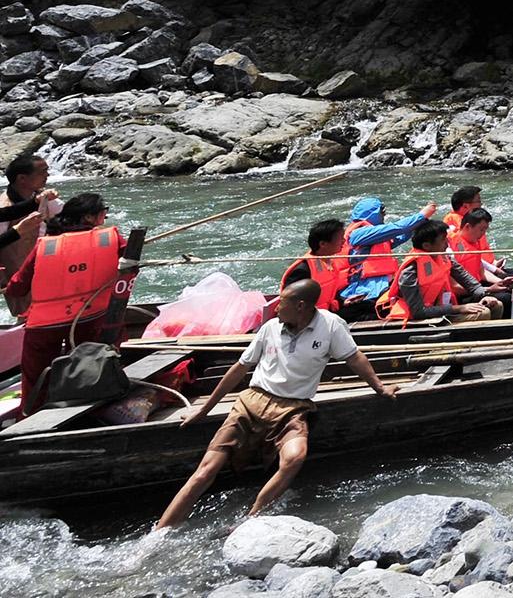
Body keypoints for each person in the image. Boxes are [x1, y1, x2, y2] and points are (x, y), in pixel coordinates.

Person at [156, 278, 395, 530]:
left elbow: (354, 358)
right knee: (205, 471)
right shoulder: (270, 327)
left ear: (301, 306)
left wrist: (380, 388)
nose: (276, 308)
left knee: (295, 457)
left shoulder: (331, 326)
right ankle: (161, 530)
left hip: (293, 407)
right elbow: (239, 369)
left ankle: (251, 520)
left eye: (282, 303)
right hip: (252, 402)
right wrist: (202, 411)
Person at [8, 191, 137, 415]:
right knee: (100, 360)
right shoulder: (110, 237)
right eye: (103, 213)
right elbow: (131, 267)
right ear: (89, 218)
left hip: (43, 325)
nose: (104, 218)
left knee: (35, 378)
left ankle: (29, 416)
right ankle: (96, 408)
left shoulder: (45, 245)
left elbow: (16, 287)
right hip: (93, 318)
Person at [381, 220, 497, 322]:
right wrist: (459, 308)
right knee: (483, 313)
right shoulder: (410, 271)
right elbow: (418, 312)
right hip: (419, 317)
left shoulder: (444, 258)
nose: (447, 243)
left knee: (496, 305)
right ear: (427, 246)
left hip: (441, 309)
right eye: (443, 240)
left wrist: (484, 294)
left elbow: (467, 280)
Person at [341, 198, 435, 311]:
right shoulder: (359, 233)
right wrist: (421, 215)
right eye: (382, 213)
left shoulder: (378, 234)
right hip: (365, 290)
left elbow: (400, 236)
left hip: (383, 285)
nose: (384, 216)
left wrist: (418, 224)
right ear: (373, 214)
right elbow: (396, 228)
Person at [0, 152, 59, 307]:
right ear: (22, 179)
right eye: (42, 172)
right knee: (26, 313)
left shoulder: (42, 198)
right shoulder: (4, 203)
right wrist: (19, 230)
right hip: (15, 274)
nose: (47, 175)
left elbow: (68, 216)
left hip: (44, 266)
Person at [280, 219, 354, 314]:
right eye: (340, 238)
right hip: (313, 318)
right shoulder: (303, 270)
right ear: (323, 244)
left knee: (367, 305)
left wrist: (343, 301)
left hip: (328, 311)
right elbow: (291, 304)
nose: (344, 241)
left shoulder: (328, 263)